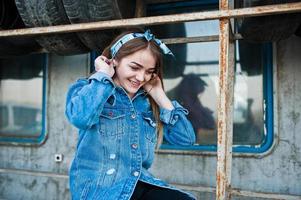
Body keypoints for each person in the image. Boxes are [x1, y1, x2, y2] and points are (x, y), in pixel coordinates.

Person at [65, 29, 196, 200]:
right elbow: (79, 117)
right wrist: (103, 75)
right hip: (99, 190)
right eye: (135, 67)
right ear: (115, 61)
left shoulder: (148, 102)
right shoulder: (88, 88)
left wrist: (159, 95)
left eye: (149, 71)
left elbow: (186, 139)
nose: (141, 77)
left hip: (138, 184)